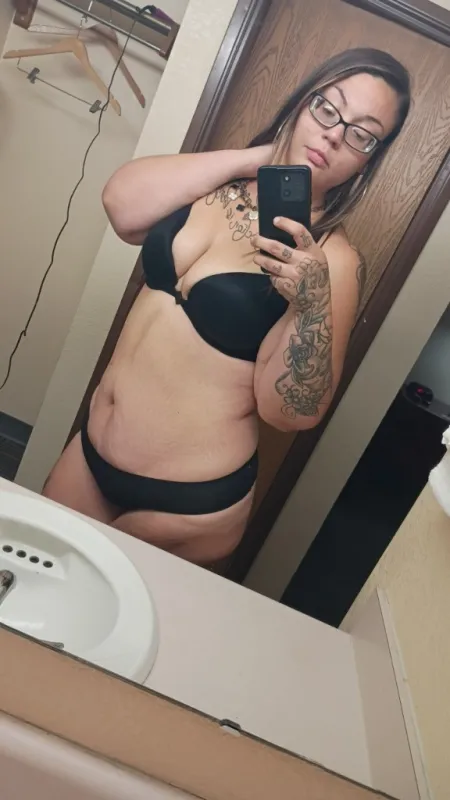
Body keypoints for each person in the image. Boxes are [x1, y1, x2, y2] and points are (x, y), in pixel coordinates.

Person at [43, 48, 411, 565]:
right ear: (301, 104)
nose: (334, 134)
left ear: (369, 158)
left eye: (361, 134)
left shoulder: (333, 258)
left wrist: (310, 306)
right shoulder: (215, 181)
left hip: (187, 505)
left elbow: (289, 413)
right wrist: (254, 160)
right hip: (89, 455)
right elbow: (122, 207)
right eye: (327, 108)